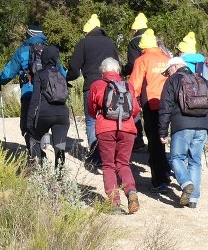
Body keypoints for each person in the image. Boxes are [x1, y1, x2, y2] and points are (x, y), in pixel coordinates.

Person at [158, 56, 208, 209]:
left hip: (182, 126)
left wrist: (162, 131)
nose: (168, 74)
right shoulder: (202, 80)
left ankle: (186, 184)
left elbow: (165, 108)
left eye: (168, 71)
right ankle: (193, 200)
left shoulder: (173, 81)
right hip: (202, 128)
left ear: (174, 67)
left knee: (176, 158)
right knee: (195, 162)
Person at [87, 58, 141, 215]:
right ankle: (131, 191)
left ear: (102, 71)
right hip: (128, 128)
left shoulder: (96, 85)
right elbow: (135, 109)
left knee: (108, 165)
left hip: (105, 129)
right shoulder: (128, 86)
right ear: (118, 71)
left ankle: (114, 202)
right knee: (123, 163)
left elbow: (91, 110)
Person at [67, 14, 120, 167]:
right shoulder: (110, 43)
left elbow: (74, 70)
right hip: (112, 86)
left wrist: (66, 78)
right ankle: (109, 155)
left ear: (87, 31)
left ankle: (95, 156)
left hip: (91, 86)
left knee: (92, 120)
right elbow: (118, 64)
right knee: (111, 118)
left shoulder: (83, 43)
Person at [127, 29, 172, 190]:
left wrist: (131, 106)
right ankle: (166, 172)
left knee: (154, 142)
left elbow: (134, 86)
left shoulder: (143, 59)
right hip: (169, 105)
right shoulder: (167, 58)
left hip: (152, 105)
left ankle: (159, 180)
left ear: (142, 47)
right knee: (164, 139)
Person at [0, 23, 50, 144]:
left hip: (29, 92)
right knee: (43, 123)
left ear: (29, 34)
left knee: (26, 126)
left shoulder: (22, 51)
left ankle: (34, 156)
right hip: (47, 94)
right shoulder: (49, 50)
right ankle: (43, 149)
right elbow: (61, 71)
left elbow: (8, 73)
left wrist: (0, 78)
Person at [26, 44, 70, 171]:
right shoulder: (61, 75)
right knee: (60, 146)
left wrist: (30, 120)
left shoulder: (40, 74)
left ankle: (38, 172)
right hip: (62, 114)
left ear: (44, 58)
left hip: (45, 113)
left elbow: (35, 99)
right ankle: (60, 177)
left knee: (35, 139)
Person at [123, 12, 149, 150]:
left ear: (135, 29)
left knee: (134, 108)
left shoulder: (134, 42)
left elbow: (132, 65)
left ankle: (138, 139)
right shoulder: (156, 39)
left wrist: (123, 71)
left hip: (139, 80)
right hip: (156, 80)